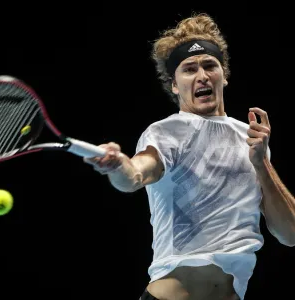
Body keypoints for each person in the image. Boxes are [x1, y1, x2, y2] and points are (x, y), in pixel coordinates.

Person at [83, 12, 295, 300]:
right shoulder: (167, 132)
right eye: (189, 69)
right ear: (174, 84)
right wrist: (117, 164)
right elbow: (135, 175)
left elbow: (290, 234)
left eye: (210, 65)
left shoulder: (251, 138)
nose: (202, 76)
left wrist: (262, 164)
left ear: (224, 75)